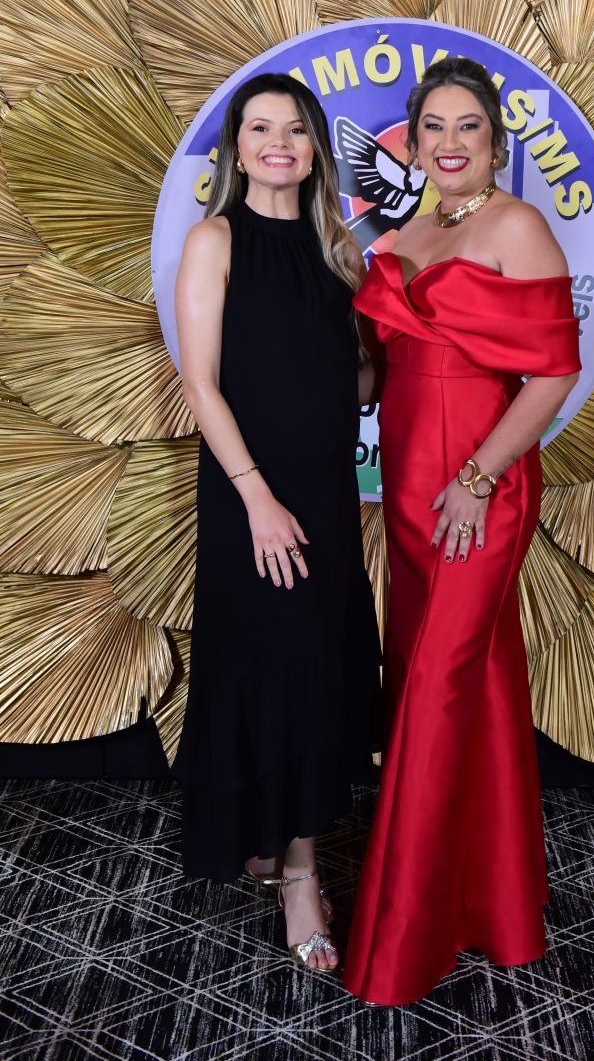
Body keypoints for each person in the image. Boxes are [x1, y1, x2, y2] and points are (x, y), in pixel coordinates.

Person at [343, 57, 581, 1005]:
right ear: (412, 141)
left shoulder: (516, 226)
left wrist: (478, 479)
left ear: (494, 139)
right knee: (464, 683)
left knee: (434, 694)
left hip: (475, 486)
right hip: (408, 488)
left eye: (467, 126)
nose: (449, 143)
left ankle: (402, 941)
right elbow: (377, 376)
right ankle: (498, 910)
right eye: (432, 127)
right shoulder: (406, 230)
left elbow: (553, 375)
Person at [173, 72, 381, 973]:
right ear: (237, 147)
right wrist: (257, 498)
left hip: (325, 494)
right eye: (260, 129)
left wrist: (397, 351)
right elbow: (200, 383)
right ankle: (299, 875)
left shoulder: (340, 250)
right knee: (271, 663)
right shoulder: (214, 239)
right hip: (248, 497)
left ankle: (282, 843)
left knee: (314, 666)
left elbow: (354, 379)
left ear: (314, 148)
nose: (278, 144)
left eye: (294, 129)